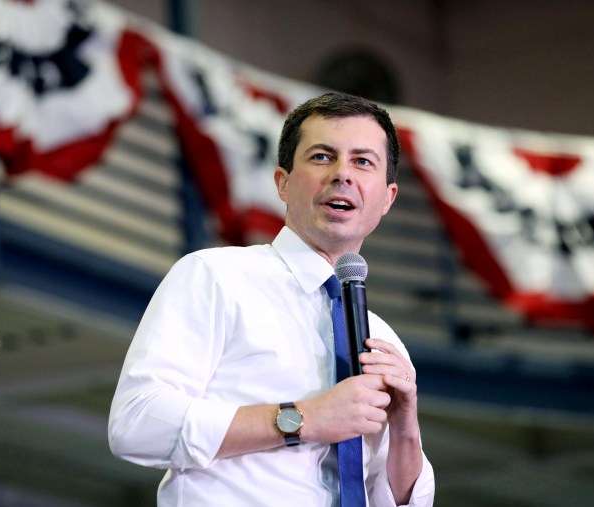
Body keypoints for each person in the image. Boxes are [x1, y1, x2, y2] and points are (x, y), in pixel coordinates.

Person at [108, 91, 435, 506]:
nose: (342, 174)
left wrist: (406, 426)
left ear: (387, 198)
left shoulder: (383, 340)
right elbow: (136, 423)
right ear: (283, 183)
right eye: (321, 156)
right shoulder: (216, 277)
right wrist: (305, 418)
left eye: (362, 161)